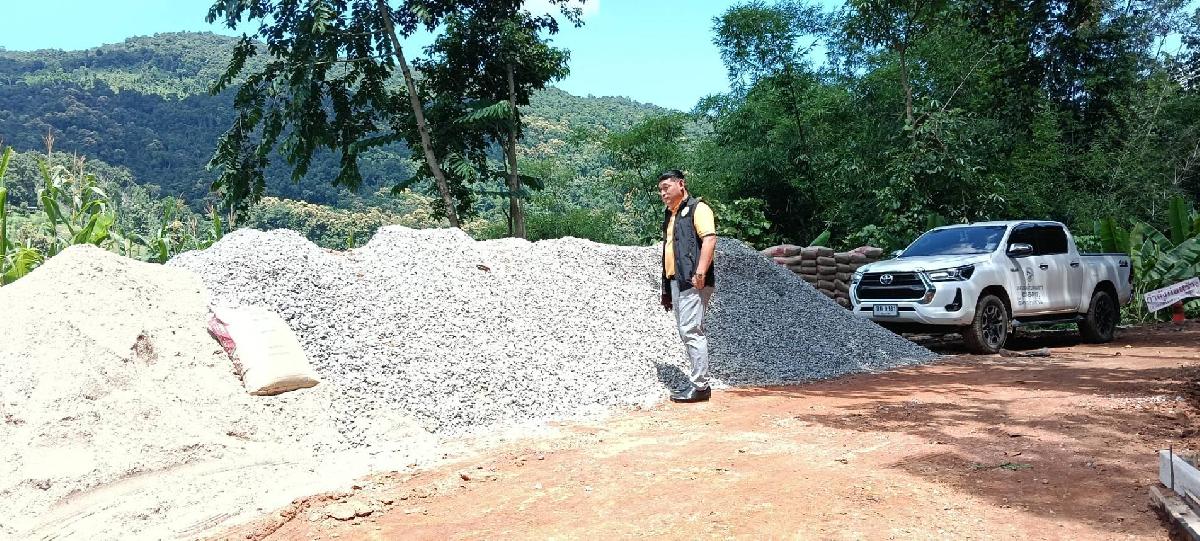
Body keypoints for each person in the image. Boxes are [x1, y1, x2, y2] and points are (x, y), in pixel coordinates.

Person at [657, 169, 717, 403]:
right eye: (660, 190)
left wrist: (700, 271)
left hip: (693, 279)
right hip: (677, 281)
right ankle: (698, 383)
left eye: (666, 188)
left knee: (691, 330)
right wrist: (666, 287)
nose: (663, 193)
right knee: (686, 331)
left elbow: (709, 238)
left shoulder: (697, 208)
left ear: (681, 184)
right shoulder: (670, 215)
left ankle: (701, 387)